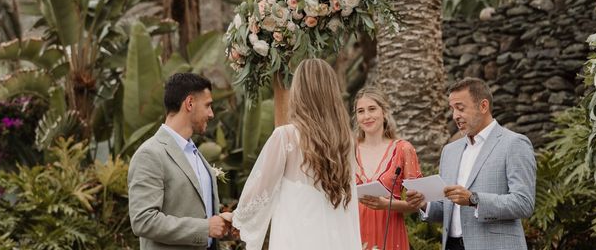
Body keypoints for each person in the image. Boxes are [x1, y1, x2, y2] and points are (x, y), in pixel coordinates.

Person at [226, 58, 362, 250]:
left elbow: (260, 192)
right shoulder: (346, 141)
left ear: (299, 92)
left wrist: (235, 218)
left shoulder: (286, 137)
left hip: (297, 239)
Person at [407, 77, 536, 250]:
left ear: (483, 106)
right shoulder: (449, 151)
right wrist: (424, 204)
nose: (455, 116)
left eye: (460, 108)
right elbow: (449, 208)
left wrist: (474, 199)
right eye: (452, 109)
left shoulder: (514, 143)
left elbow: (524, 203)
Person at [128, 73, 230, 250]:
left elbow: (195, 211)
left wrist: (221, 223)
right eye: (207, 105)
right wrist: (205, 228)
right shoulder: (150, 154)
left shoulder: (196, 155)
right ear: (189, 103)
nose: (211, 114)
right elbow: (143, 220)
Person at [354, 87, 422, 250]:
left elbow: (418, 203)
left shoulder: (403, 149)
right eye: (360, 111)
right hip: (354, 233)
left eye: (372, 109)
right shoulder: (347, 150)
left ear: (384, 112)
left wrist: (387, 205)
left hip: (390, 233)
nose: (367, 116)